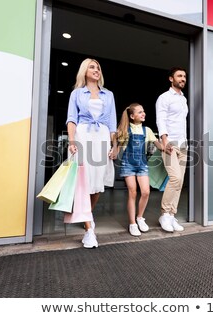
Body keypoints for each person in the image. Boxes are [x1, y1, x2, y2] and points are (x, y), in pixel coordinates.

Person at [66, 58, 117, 248]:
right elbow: (71, 119)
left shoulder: (108, 95)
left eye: (98, 68)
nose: (96, 70)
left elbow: (112, 122)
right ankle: (89, 230)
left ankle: (86, 214)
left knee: (97, 183)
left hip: (102, 136)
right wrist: (72, 140)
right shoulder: (77, 94)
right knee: (83, 181)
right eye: (92, 67)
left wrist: (115, 145)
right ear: (84, 71)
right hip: (83, 135)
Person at [117, 103, 163, 236]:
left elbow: (158, 145)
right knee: (132, 192)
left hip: (142, 164)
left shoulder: (147, 130)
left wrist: (167, 147)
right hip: (128, 164)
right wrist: (113, 151)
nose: (143, 114)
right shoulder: (125, 129)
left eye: (143, 111)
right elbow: (118, 145)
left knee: (146, 192)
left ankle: (140, 218)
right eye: (139, 112)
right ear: (132, 116)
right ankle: (132, 224)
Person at [155, 67, 189, 232]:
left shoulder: (183, 99)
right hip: (170, 143)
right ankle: (164, 214)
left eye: (184, 76)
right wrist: (165, 140)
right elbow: (160, 119)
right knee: (174, 178)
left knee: (180, 182)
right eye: (179, 76)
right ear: (171, 79)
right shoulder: (164, 97)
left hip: (183, 145)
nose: (182, 78)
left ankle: (171, 215)